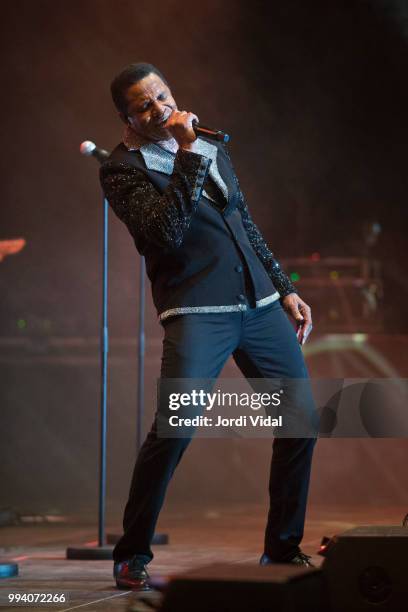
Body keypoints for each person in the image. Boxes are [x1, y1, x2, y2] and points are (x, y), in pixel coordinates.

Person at [100, 63, 316, 591]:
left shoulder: (210, 145)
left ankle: (283, 550)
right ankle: (131, 553)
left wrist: (284, 286)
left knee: (301, 422)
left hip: (259, 305)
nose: (160, 108)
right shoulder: (121, 168)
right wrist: (188, 153)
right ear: (128, 120)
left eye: (163, 95)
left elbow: (243, 219)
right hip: (198, 311)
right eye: (145, 105)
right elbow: (166, 232)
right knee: (174, 429)